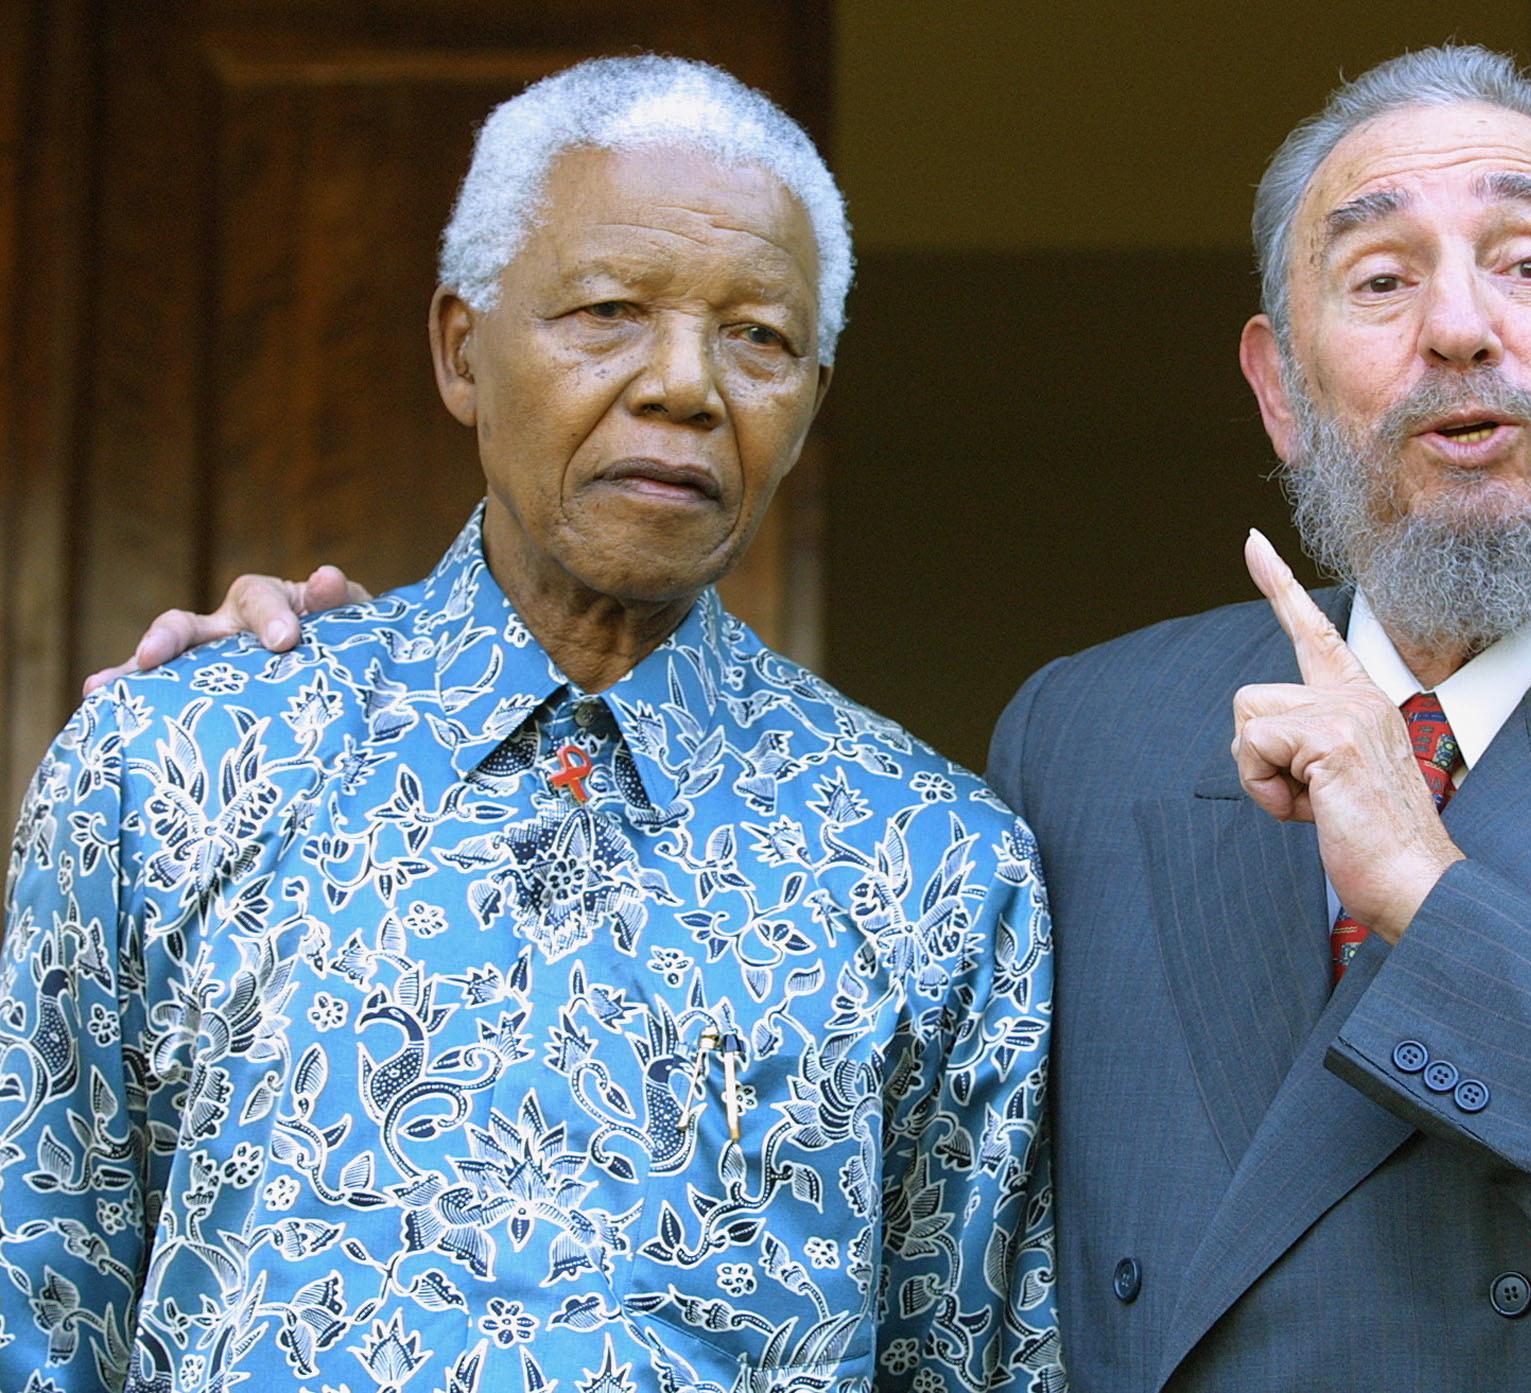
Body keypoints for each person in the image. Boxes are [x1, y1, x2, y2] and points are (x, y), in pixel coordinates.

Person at [96, 44, 1531, 1393]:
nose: (1461, 328)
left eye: (1530, 265)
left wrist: (1434, 899)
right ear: (1284, 392)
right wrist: (301, 695)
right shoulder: (1093, 740)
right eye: (1382, 279)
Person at [2, 56, 1058, 1393]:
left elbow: (966, 1364)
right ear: (461, 349)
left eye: (761, 338)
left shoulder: (937, 865)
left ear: (811, 405)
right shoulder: (179, 765)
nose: (687, 384)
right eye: (610, 311)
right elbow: (33, 1307)